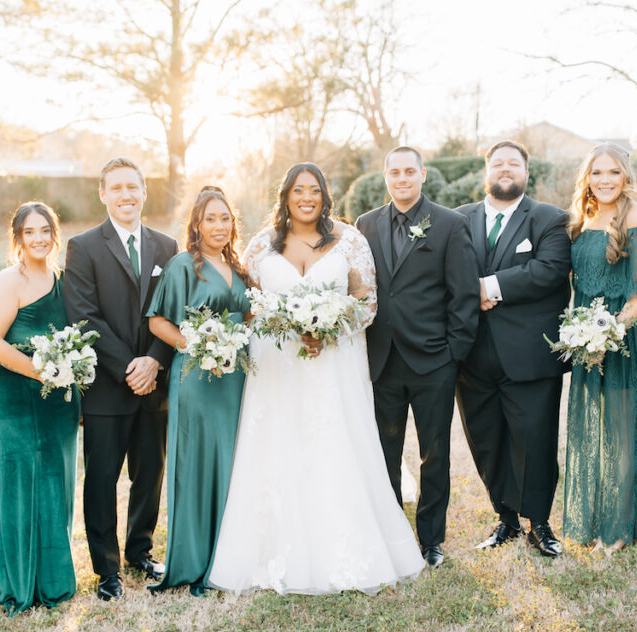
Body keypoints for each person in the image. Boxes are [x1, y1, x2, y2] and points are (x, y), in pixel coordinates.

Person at [206, 163, 425, 594]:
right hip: (277, 363)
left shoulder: (350, 240)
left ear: (326, 196)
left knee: (335, 444)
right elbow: (248, 303)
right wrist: (287, 326)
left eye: (315, 190)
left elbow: (366, 301)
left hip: (334, 363)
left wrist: (328, 330)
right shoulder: (261, 244)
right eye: (298, 190)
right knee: (278, 443)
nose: (307, 197)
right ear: (285, 195)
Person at [355, 146, 479, 568]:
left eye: (410, 171)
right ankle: (391, 535)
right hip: (381, 361)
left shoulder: (449, 224)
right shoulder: (365, 225)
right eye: (395, 171)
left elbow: (464, 294)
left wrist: (453, 355)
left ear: (423, 175)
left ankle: (431, 539)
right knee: (384, 453)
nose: (402, 178)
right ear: (385, 175)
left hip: (433, 362)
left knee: (435, 454)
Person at [64, 158, 178, 600]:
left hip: (156, 384)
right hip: (108, 387)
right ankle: (106, 569)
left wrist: (154, 361)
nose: (126, 195)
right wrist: (131, 367)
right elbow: (84, 317)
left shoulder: (166, 247)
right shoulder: (84, 246)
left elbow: (175, 311)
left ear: (145, 191)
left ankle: (140, 553)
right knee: (101, 480)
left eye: (134, 186)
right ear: (103, 194)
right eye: (117, 188)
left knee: (149, 474)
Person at [454, 140, 571, 558]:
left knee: (534, 440)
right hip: (471, 354)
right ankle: (504, 519)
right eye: (498, 163)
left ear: (526, 172)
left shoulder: (550, 219)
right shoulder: (459, 219)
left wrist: (489, 286)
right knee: (486, 439)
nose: (506, 169)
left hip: (529, 355)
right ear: (487, 170)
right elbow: (447, 270)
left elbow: (549, 271)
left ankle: (538, 522)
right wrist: (471, 289)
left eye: (514, 164)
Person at [562, 143, 637, 555]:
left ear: (626, 176)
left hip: (627, 336)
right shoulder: (583, 217)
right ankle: (594, 516)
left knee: (622, 430)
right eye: (596, 173)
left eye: (613, 172)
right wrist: (584, 336)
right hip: (588, 337)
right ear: (586, 178)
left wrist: (608, 335)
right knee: (596, 426)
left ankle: (621, 525)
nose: (605, 180)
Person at [0, 202, 78, 614]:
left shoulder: (64, 280)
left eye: (45, 230)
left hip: (59, 400)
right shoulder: (9, 280)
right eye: (29, 232)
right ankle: (18, 581)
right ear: (17, 238)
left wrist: (64, 373)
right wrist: (40, 372)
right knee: (20, 484)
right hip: (16, 396)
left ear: (56, 234)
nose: (38, 238)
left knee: (57, 482)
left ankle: (53, 580)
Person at [146, 188, 250, 596]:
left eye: (225, 218)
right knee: (197, 463)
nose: (219, 226)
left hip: (235, 381)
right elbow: (158, 322)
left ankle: (228, 557)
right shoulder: (182, 267)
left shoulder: (237, 267)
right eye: (210, 219)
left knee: (232, 462)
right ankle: (192, 560)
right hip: (197, 380)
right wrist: (201, 346)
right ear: (196, 224)